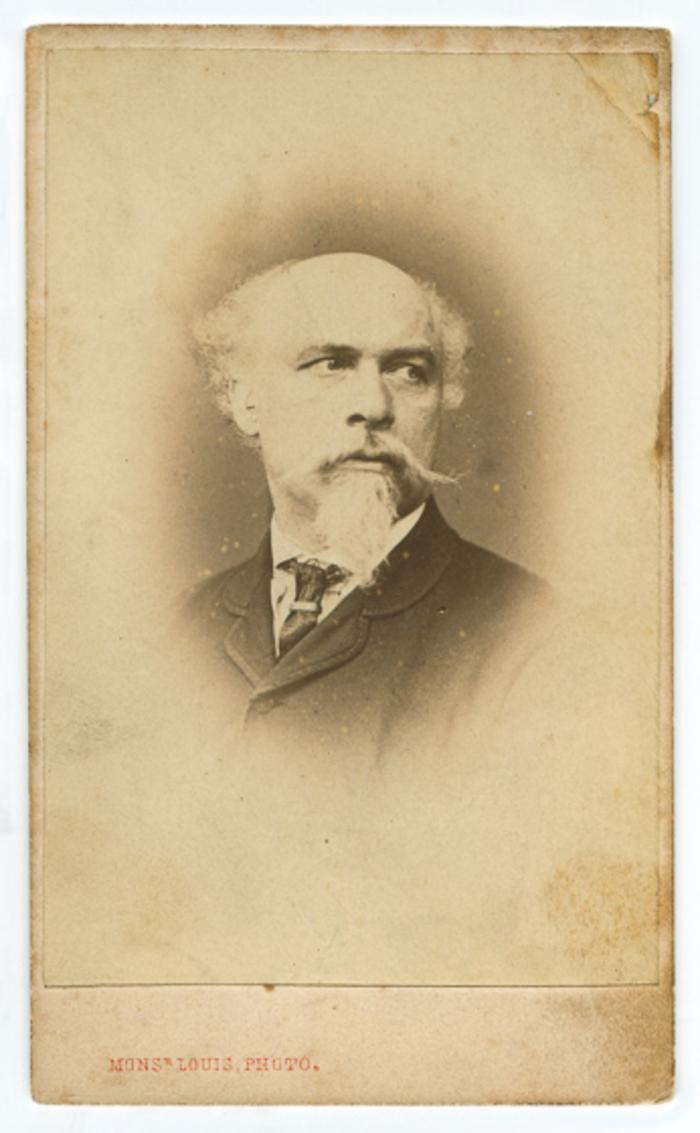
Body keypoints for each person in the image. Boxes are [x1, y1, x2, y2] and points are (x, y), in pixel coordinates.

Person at [182, 252, 549, 762]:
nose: (375, 406)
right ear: (245, 400)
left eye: (409, 372)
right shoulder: (174, 632)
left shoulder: (536, 642)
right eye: (331, 365)